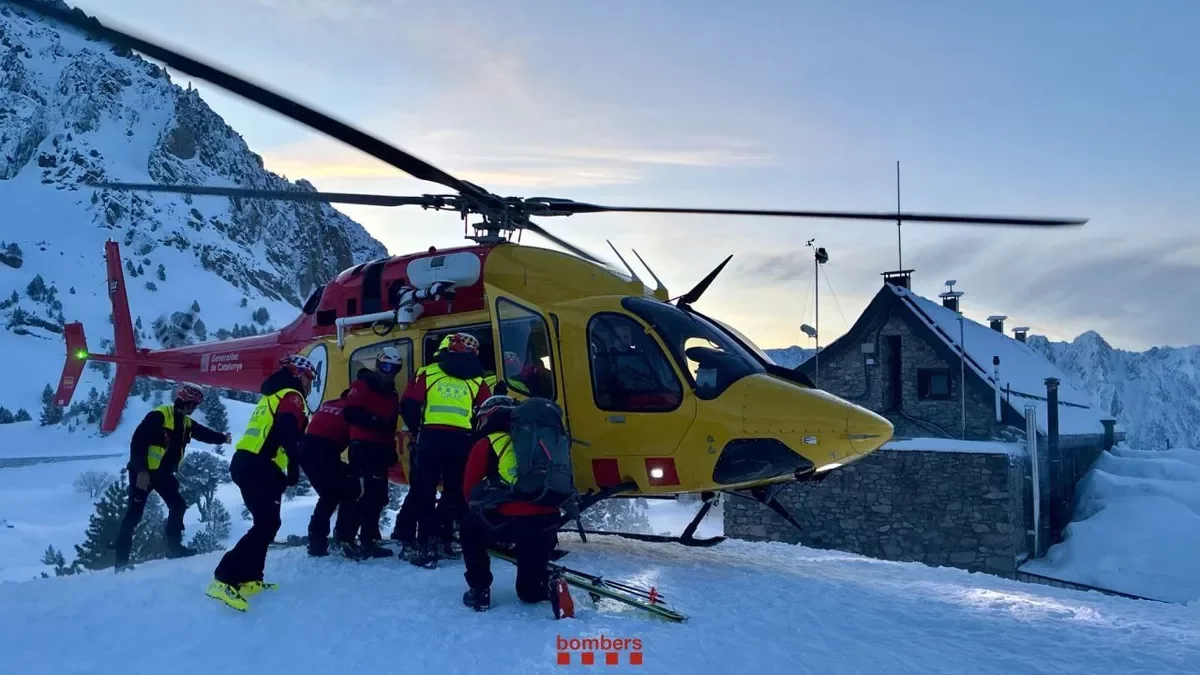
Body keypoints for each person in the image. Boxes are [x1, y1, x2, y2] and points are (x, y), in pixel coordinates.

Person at [206, 355, 314, 612]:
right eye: (310, 378)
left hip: (250, 462)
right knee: (266, 524)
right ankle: (224, 578)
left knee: (267, 523)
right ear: (300, 375)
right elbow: (287, 430)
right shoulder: (291, 395)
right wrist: (294, 467)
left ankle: (251, 578)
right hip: (260, 464)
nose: (310, 385)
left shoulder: (272, 395)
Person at [459, 395, 567, 614]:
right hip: (547, 520)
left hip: (509, 522)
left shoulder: (488, 443)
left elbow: (468, 490)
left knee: (469, 527)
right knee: (529, 594)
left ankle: (479, 590)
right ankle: (546, 584)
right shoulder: (544, 441)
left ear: (490, 418)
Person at [396, 332, 490, 567]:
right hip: (461, 441)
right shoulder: (477, 380)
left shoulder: (428, 372)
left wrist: (417, 429)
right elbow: (487, 412)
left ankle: (427, 544)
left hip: (431, 438)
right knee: (455, 492)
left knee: (424, 491)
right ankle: (446, 537)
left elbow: (409, 404)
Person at [114, 383, 230, 571]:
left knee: (178, 505)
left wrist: (222, 438)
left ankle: (174, 548)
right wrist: (141, 470)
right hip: (143, 473)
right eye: (194, 405)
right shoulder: (159, 416)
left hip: (162, 474)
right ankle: (120, 561)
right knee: (134, 514)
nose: (195, 408)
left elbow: (203, 434)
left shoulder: (185, 422)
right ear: (185, 402)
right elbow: (138, 442)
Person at [342, 346, 403, 559]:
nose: (389, 371)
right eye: (386, 366)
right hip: (362, 446)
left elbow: (391, 425)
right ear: (378, 365)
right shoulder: (363, 384)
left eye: (395, 368)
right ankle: (347, 538)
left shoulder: (393, 394)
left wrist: (391, 449)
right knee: (359, 494)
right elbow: (350, 412)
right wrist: (374, 421)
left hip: (380, 448)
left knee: (378, 496)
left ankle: (369, 540)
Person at [296, 388, 357, 557]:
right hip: (325, 450)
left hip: (306, 449)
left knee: (329, 495)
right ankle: (344, 537)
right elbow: (355, 441)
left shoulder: (329, 404)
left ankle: (316, 539)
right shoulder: (352, 411)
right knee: (350, 490)